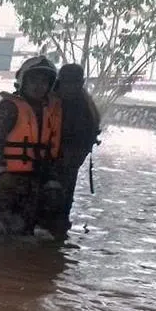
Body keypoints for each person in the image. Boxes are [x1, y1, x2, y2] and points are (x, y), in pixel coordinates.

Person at [0, 56, 62, 236]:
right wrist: (1, 171)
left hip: (32, 182)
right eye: (34, 80)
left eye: (44, 82)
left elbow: (50, 150)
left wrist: (52, 180)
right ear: (23, 81)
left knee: (24, 233)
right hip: (3, 181)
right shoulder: (9, 107)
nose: (38, 86)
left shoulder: (49, 112)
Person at [42, 64, 102, 238]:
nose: (69, 88)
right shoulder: (47, 99)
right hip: (40, 163)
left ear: (80, 83)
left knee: (60, 212)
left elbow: (85, 141)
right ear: (60, 82)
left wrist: (67, 164)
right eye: (66, 83)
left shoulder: (85, 109)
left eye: (73, 83)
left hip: (67, 166)